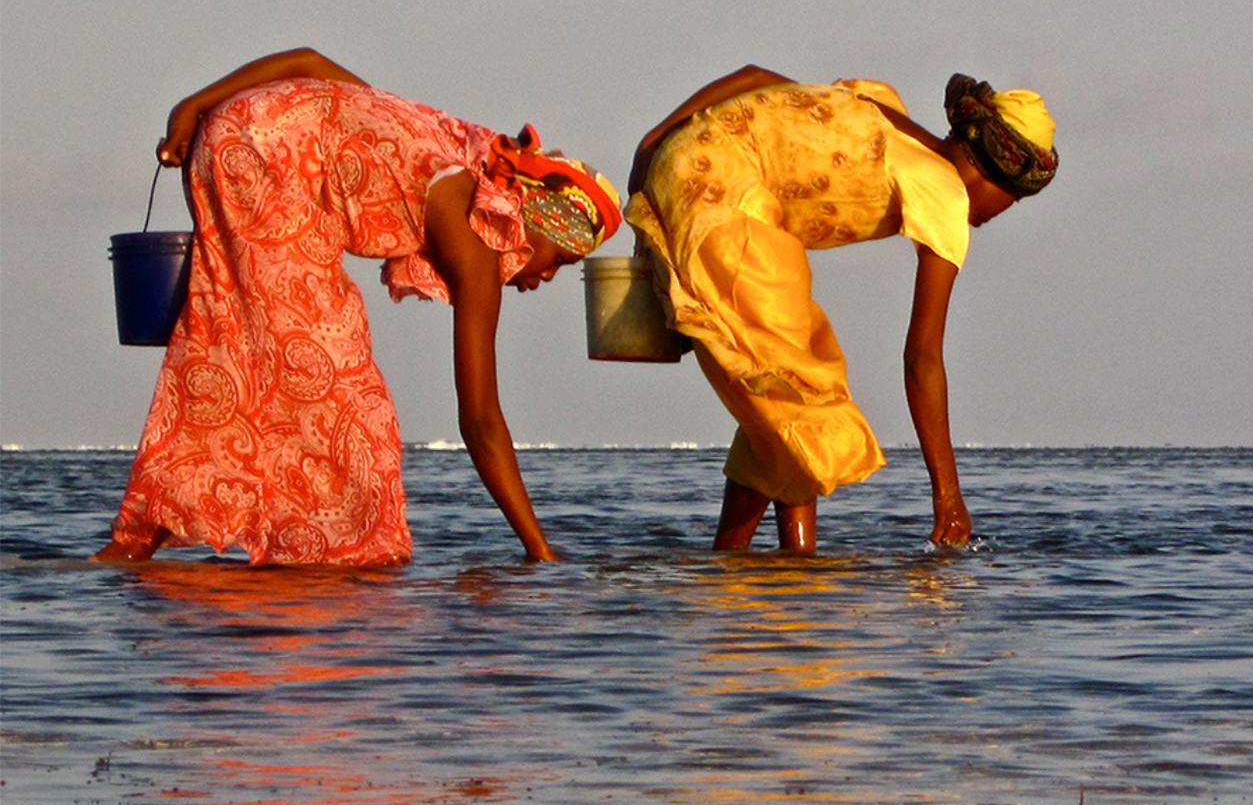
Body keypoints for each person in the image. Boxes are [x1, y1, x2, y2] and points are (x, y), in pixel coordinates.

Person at [94, 48, 622, 566]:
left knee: (238, 349)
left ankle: (155, 537)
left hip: (236, 137)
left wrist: (194, 106)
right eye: (558, 259)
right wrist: (538, 549)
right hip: (261, 159)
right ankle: (326, 572)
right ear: (532, 221)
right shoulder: (478, 244)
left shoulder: (420, 140)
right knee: (341, 395)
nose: (545, 277)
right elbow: (480, 418)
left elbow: (310, 62)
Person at [625, 67, 1057, 553]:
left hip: (687, 171)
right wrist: (948, 495)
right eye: (1013, 199)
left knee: (787, 399)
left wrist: (657, 140)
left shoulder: (882, 108)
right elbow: (922, 359)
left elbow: (757, 74)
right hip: (724, 205)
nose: (1005, 212)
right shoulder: (945, 194)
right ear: (988, 169)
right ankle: (773, 564)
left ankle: (762, 567)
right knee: (810, 409)